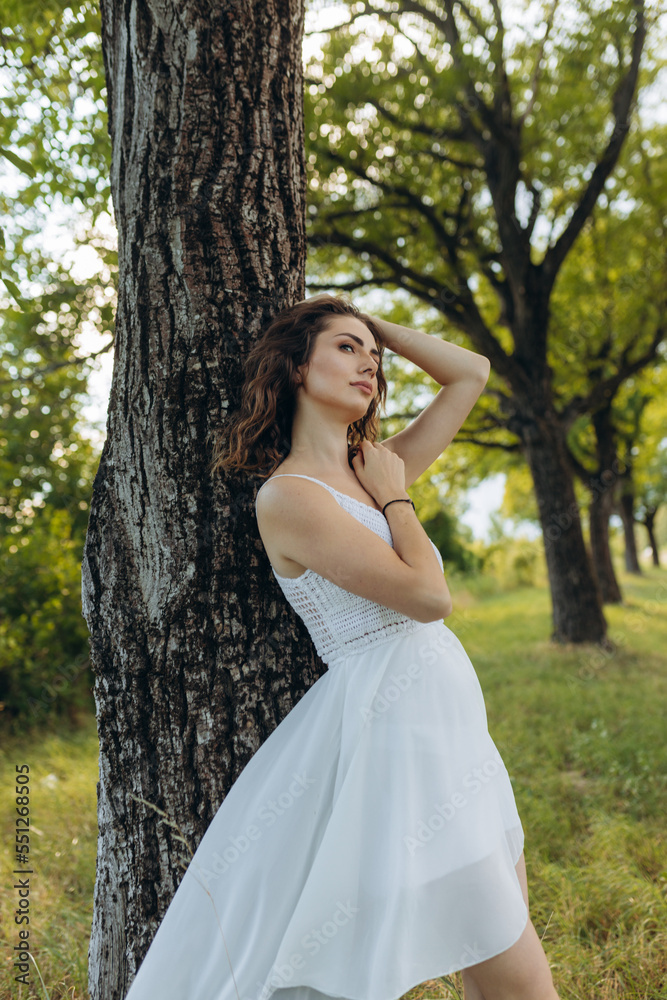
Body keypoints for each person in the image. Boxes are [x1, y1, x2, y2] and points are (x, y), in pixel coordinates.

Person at [122, 295, 560, 1000]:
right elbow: (427, 598)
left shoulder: (370, 467)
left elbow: (470, 373)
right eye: (345, 350)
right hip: (395, 733)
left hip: (447, 727)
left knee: (491, 949)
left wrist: (365, 322)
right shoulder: (291, 497)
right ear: (296, 367)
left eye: (374, 358)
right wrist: (396, 501)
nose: (369, 367)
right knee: (512, 969)